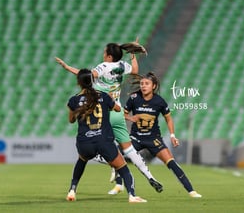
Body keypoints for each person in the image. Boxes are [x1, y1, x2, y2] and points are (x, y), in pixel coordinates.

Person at [56, 41, 163, 194]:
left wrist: (67, 68)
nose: (103, 54)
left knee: (94, 146)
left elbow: (86, 77)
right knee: (130, 149)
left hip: (103, 110)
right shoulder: (121, 65)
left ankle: (110, 163)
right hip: (117, 110)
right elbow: (135, 69)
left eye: (105, 52)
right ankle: (150, 176)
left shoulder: (103, 67)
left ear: (109, 56)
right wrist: (133, 54)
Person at [66, 69, 147, 203]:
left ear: (79, 83)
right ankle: (132, 196)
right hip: (104, 140)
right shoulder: (103, 96)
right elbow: (117, 109)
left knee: (82, 160)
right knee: (123, 167)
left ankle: (72, 190)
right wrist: (109, 100)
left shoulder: (74, 100)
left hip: (85, 141)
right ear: (93, 81)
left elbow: (71, 120)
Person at [118, 72, 201, 198]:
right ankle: (118, 185)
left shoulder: (159, 101)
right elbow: (121, 114)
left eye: (147, 84)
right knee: (117, 158)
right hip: (136, 138)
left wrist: (172, 135)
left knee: (171, 163)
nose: (143, 86)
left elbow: (168, 118)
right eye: (141, 83)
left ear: (154, 86)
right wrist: (130, 118)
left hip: (153, 139)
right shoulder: (134, 98)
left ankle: (191, 191)